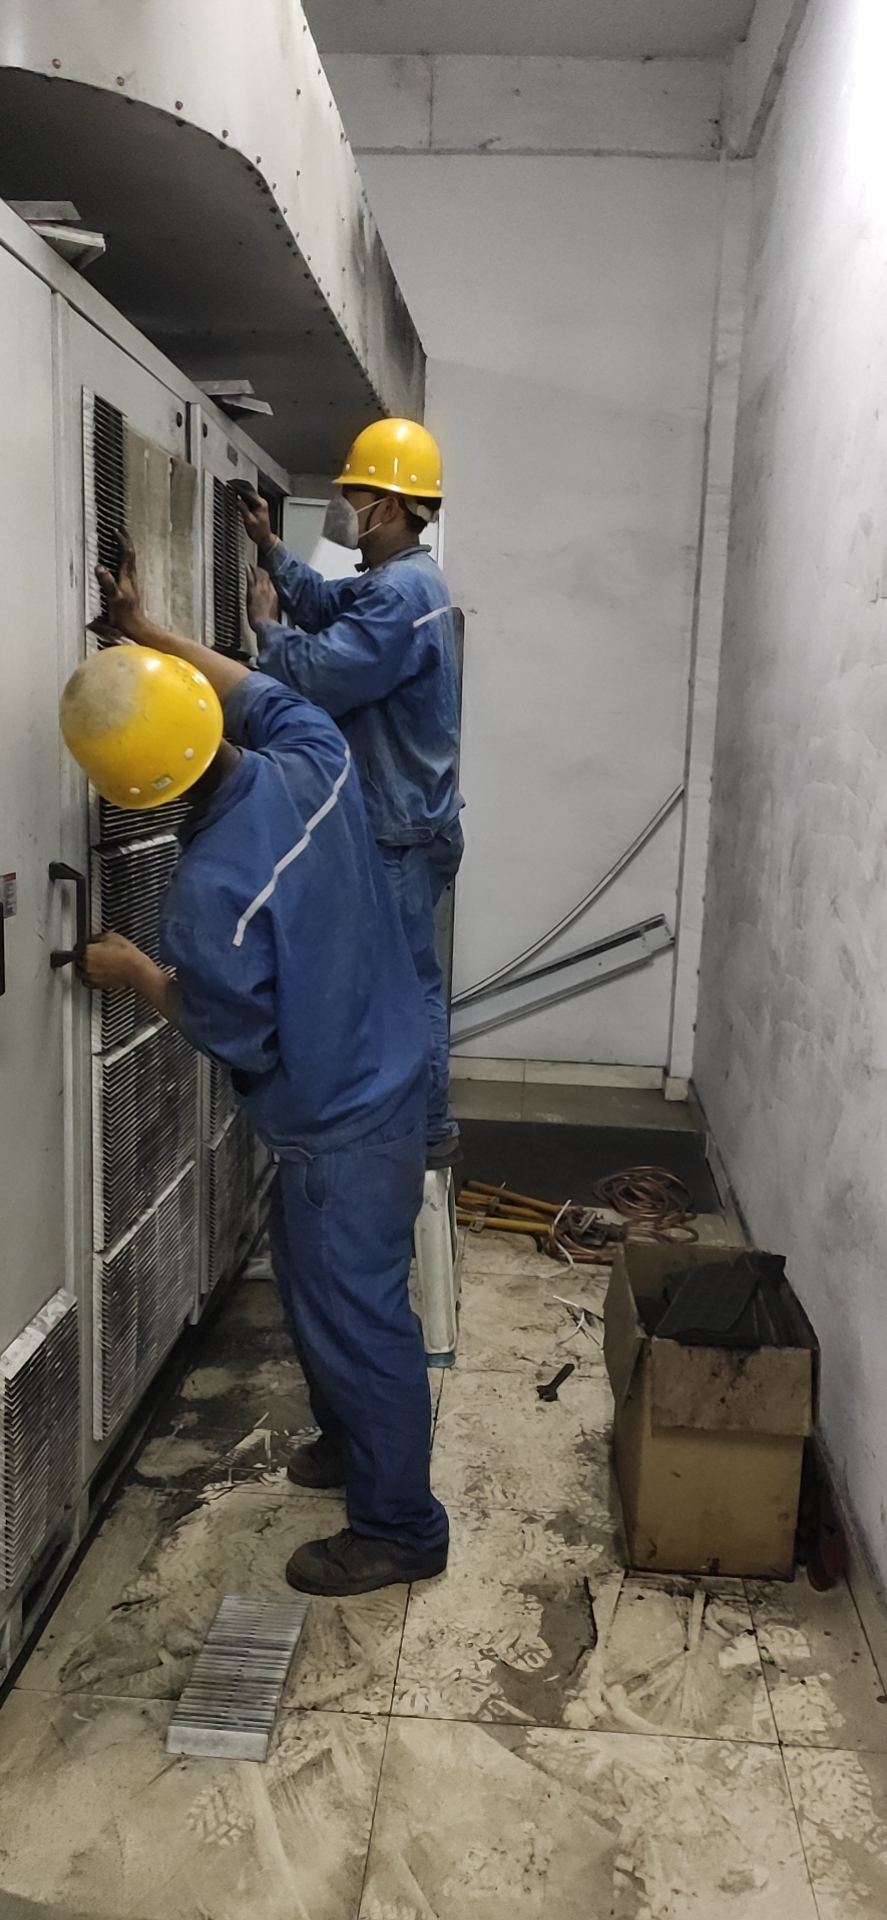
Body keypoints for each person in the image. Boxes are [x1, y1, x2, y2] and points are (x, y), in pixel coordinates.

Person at [61, 532, 449, 1598]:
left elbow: (233, 1032)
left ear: (136, 792)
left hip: (336, 1121)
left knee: (359, 1319)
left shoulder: (208, 896)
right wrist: (144, 631)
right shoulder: (311, 752)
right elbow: (253, 689)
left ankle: (400, 1527)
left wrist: (133, 970)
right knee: (322, 1294)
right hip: (389, 1072)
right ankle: (351, 1443)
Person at [236, 419, 463, 1169]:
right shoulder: (406, 581)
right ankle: (412, 1122)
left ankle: (427, 1134)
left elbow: (323, 673)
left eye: (354, 496)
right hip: (414, 820)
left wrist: (266, 631)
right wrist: (272, 548)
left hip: (399, 830)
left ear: (389, 507)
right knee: (402, 978)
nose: (344, 509)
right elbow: (336, 607)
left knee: (407, 983)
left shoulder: (401, 593)